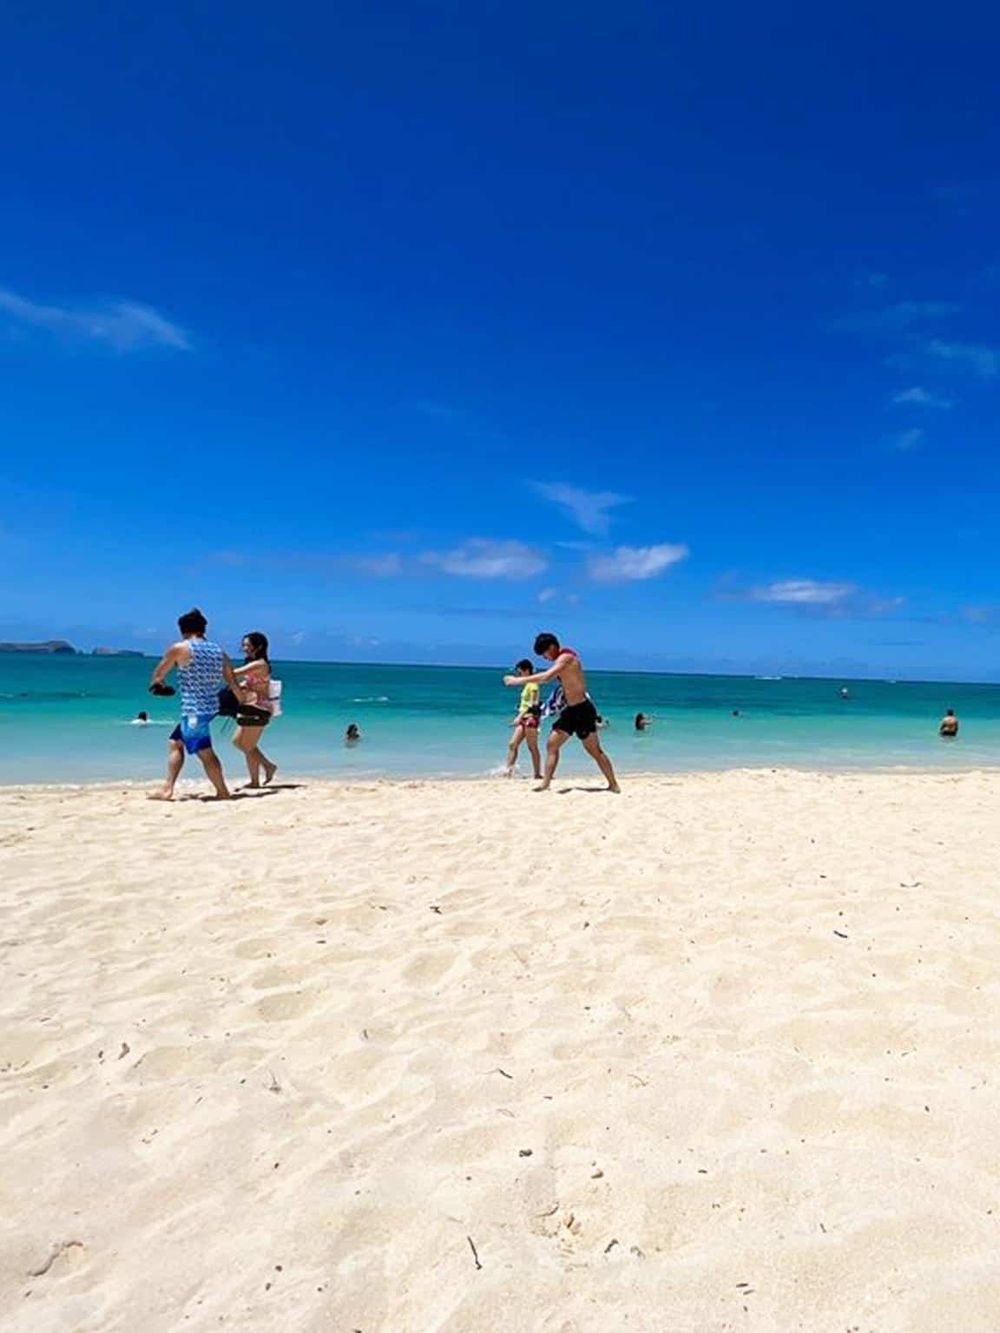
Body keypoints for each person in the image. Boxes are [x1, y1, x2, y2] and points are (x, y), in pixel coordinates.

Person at [504, 632, 620, 792]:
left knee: (594, 750)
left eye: (544, 654)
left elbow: (546, 677)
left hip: (583, 710)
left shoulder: (566, 658)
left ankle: (613, 784)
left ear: (551, 647)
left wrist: (517, 681)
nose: (545, 658)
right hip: (571, 710)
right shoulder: (562, 658)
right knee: (552, 744)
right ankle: (545, 784)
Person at [148, 608, 238, 800]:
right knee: (175, 742)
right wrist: (242, 698)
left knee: (204, 751)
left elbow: (159, 674)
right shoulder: (218, 651)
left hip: (194, 711)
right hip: (210, 706)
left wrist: (159, 686)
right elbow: (230, 677)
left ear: (183, 629)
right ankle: (168, 788)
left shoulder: (181, 648)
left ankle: (222, 792)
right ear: (203, 629)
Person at [230, 632, 278, 787]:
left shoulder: (260, 664)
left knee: (246, 745)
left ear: (259, 646)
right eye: (243, 645)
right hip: (249, 707)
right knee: (240, 742)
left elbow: (233, 673)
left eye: (247, 645)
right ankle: (255, 780)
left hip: (259, 708)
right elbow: (250, 684)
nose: (244, 648)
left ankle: (268, 766)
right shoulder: (254, 664)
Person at [505, 659, 543, 779]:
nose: (518, 674)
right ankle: (509, 771)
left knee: (532, 747)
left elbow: (532, 704)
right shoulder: (527, 684)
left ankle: (537, 773)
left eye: (520, 672)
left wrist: (519, 717)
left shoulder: (533, 684)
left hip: (530, 719)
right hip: (523, 718)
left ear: (526, 671)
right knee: (512, 744)